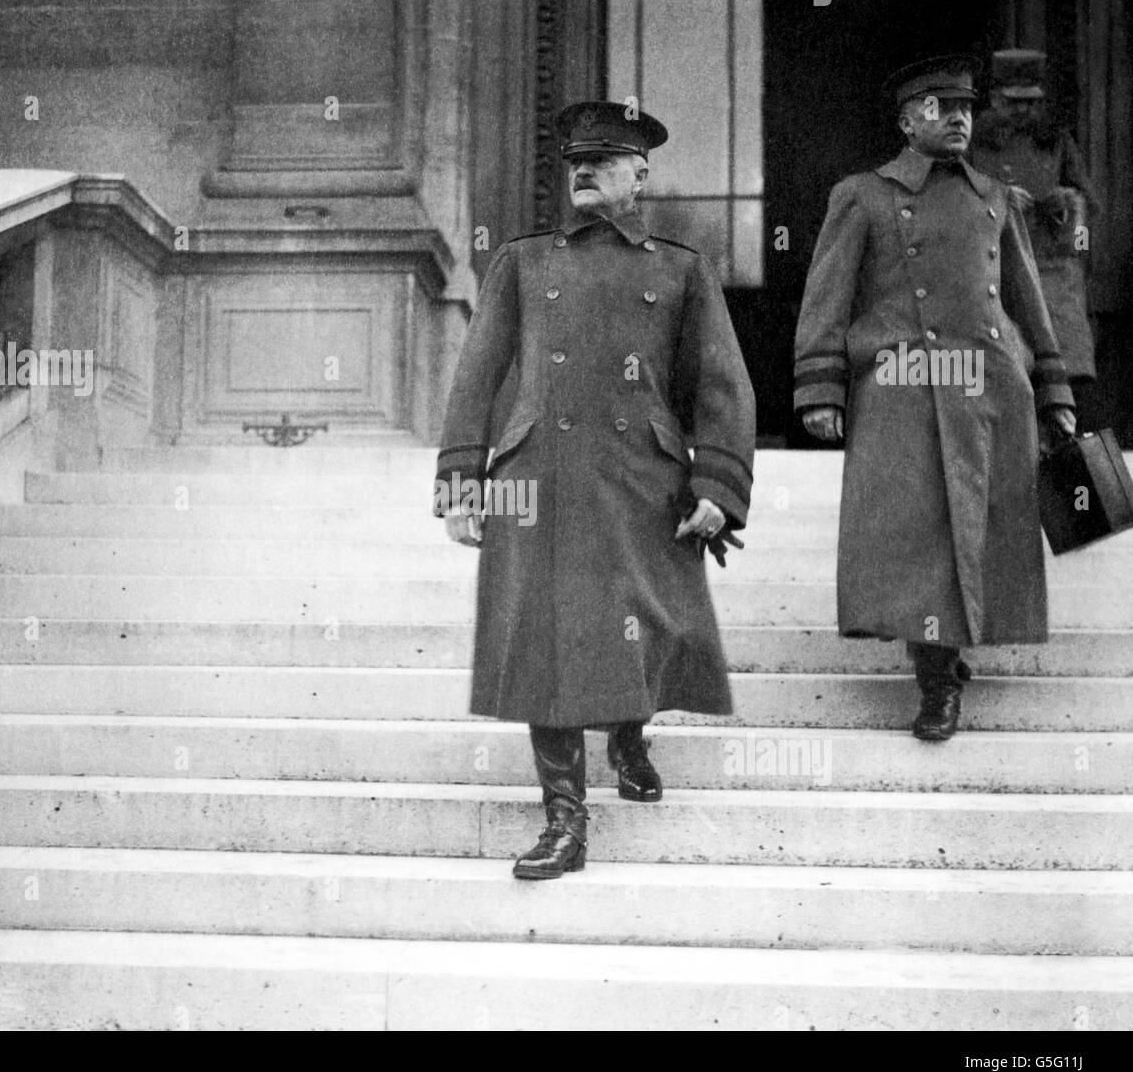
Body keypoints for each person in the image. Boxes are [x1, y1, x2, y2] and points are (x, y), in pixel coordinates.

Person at [433, 100, 756, 879]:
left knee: (641, 622)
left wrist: (715, 480)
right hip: (537, 476)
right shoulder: (524, 261)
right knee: (545, 640)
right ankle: (565, 820)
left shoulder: (678, 268)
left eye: (604, 159)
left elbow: (719, 385)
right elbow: (476, 377)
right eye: (576, 159)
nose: (583, 169)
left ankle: (629, 733)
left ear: (639, 175)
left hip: (642, 480)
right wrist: (460, 482)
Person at [794, 54, 1077, 742]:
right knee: (921, 542)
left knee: (982, 535)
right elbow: (826, 297)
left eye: (965, 109)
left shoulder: (996, 197)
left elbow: (1027, 301)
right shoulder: (863, 195)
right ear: (905, 120)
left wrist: (1054, 389)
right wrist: (820, 385)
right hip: (902, 392)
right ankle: (937, 679)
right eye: (938, 108)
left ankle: (949, 653)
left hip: (990, 390)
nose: (957, 119)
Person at [972, 49, 1098, 391]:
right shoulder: (972, 143)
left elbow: (1086, 207)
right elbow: (946, 203)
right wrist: (999, 196)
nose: (1024, 110)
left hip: (1053, 271)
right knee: (1004, 374)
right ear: (995, 99)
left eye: (1031, 102)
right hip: (993, 269)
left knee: (1065, 377)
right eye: (1014, 102)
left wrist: (1071, 213)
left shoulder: (1056, 140)